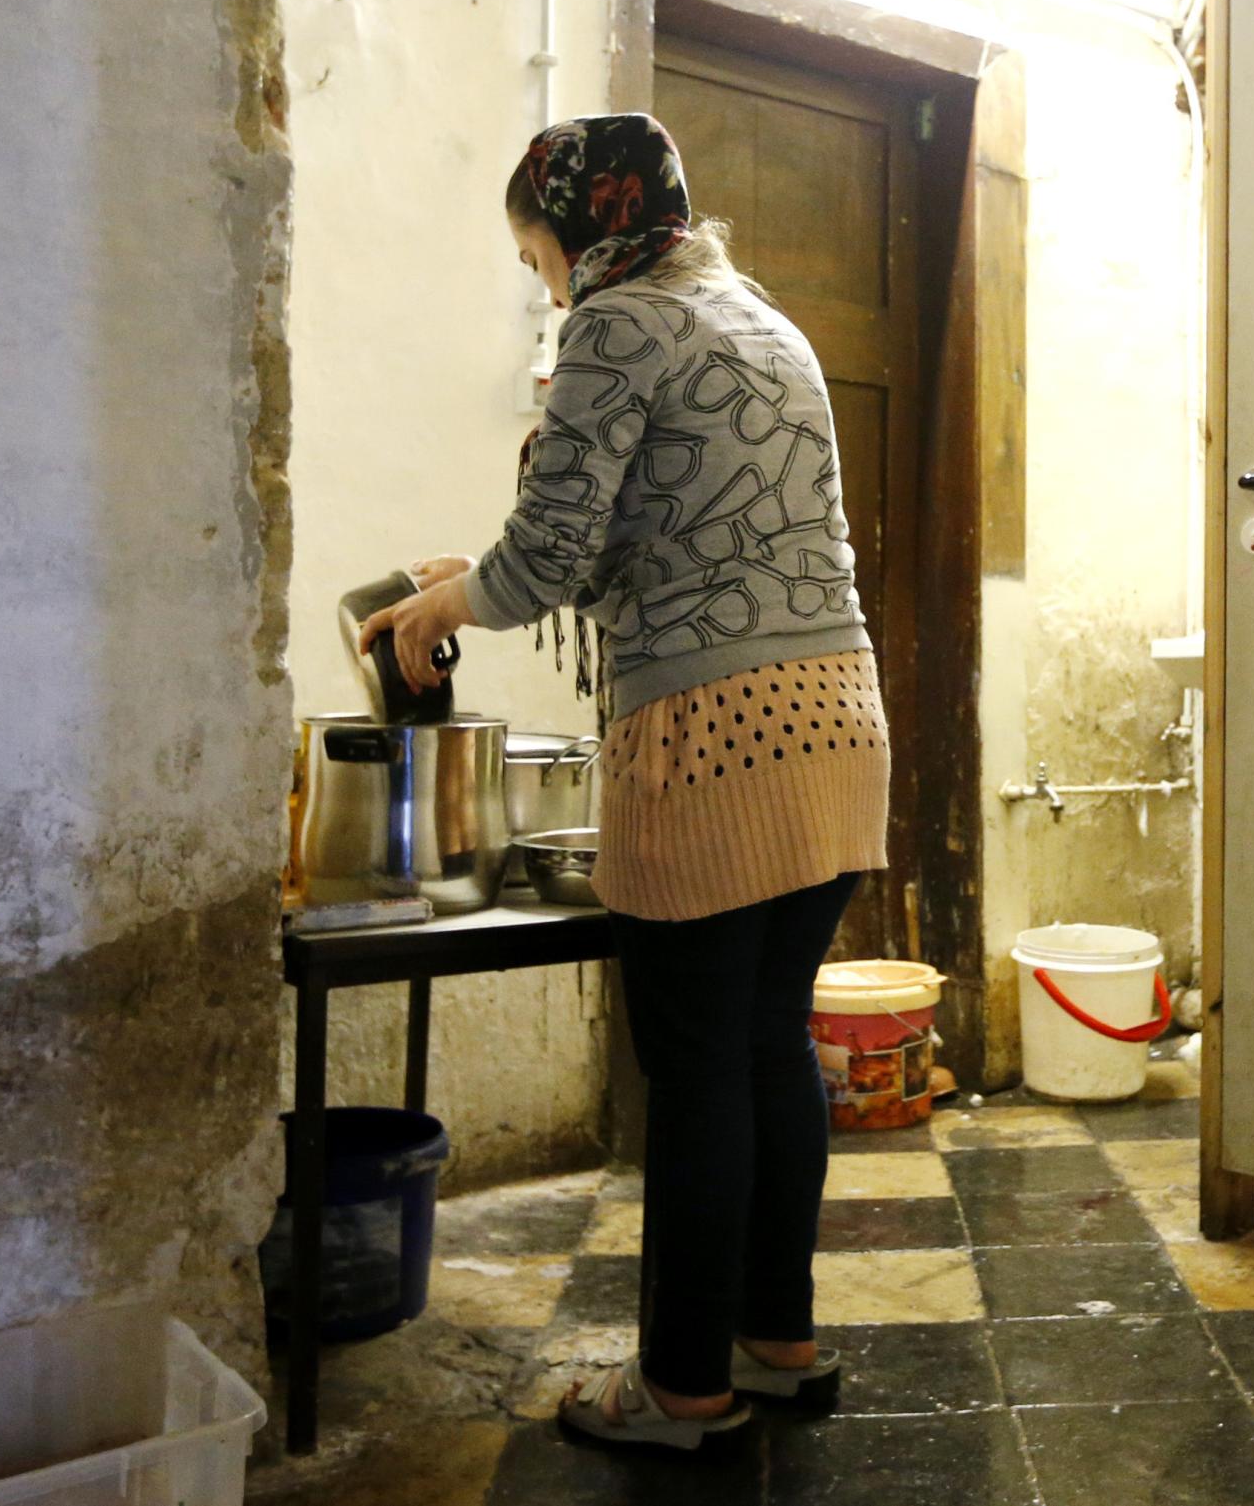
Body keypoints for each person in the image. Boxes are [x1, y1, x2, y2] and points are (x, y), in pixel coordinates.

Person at [359, 113, 888, 1451]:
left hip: (716, 734)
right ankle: (779, 1342)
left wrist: (444, 610)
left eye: (537, 253)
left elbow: (542, 558)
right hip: (838, 722)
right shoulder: (766, 321)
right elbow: (633, 548)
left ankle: (680, 1390)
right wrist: (462, 581)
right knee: (770, 1044)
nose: (544, 284)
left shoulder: (616, 324)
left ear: (579, 230)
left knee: (699, 1066)